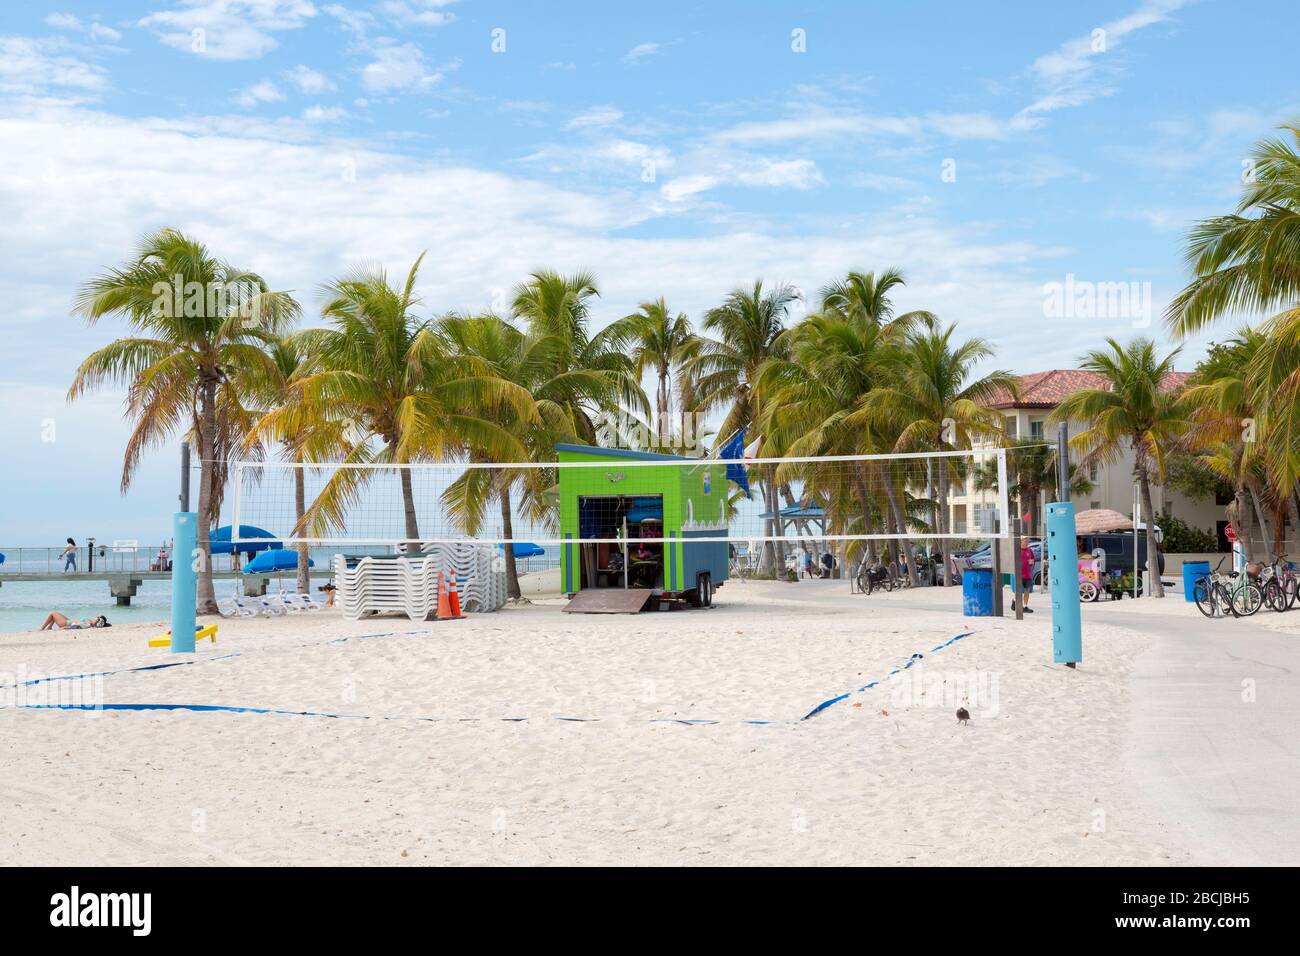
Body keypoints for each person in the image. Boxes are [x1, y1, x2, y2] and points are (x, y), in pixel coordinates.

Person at [1012, 541, 1034, 612]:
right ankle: (1015, 602)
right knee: (1019, 590)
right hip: (1019, 574)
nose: (1027, 543)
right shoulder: (1017, 550)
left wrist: (1031, 563)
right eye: (1025, 541)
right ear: (1020, 542)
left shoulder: (1029, 550)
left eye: (1027, 541)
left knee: (1027, 590)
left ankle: (1025, 606)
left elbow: (1032, 560)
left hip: (1028, 574)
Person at [40, 612, 109, 631]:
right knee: (55, 615)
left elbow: (75, 626)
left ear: (97, 620)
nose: (96, 617)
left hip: (66, 623)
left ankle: (41, 629)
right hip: (68, 620)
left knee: (52, 613)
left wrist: (63, 628)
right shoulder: (90, 622)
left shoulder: (88, 624)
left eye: (97, 617)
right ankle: (49, 628)